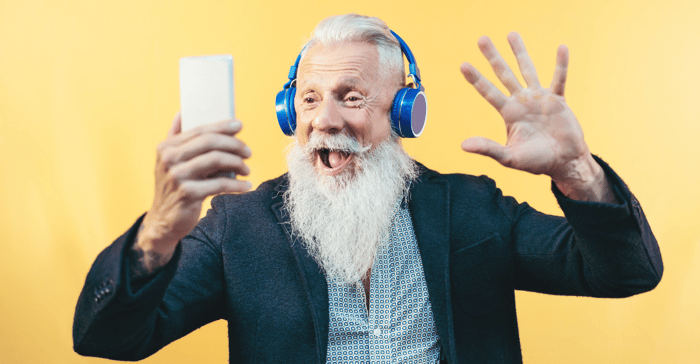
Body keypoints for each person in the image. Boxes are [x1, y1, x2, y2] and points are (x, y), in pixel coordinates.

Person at [73, 14, 662, 363]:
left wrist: (577, 169)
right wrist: (156, 234)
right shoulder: (237, 227)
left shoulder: (473, 210)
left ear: (404, 114)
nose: (323, 120)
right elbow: (106, 338)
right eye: (308, 99)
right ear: (289, 112)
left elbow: (625, 272)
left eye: (350, 97)